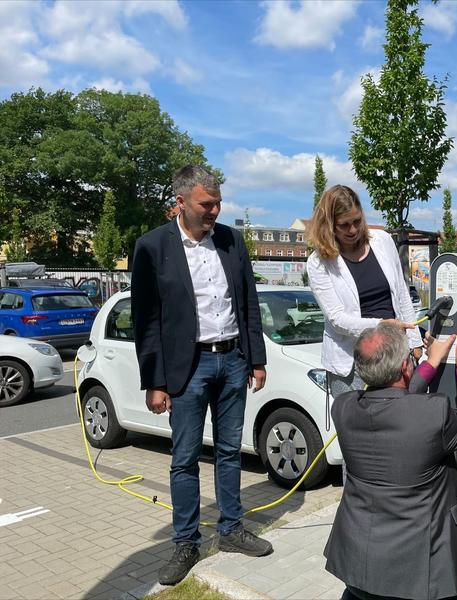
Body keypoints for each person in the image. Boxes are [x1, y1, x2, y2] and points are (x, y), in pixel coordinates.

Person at [131, 165, 273, 586]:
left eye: (218, 203)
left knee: (230, 450)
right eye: (206, 204)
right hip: (186, 367)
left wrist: (257, 358)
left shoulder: (232, 240)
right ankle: (186, 541)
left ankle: (230, 529)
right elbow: (147, 320)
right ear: (180, 202)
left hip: (232, 361)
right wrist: (154, 381)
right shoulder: (153, 247)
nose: (214, 211)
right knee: (185, 458)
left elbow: (247, 302)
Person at [324, 324, 457, 600]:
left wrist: (431, 362)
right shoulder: (432, 414)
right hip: (422, 578)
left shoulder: (343, 408)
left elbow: (392, 398)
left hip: (359, 567)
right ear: (406, 367)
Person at [306, 184, 422, 405]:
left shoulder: (382, 241)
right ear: (329, 225)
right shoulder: (319, 262)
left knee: (400, 425)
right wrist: (382, 324)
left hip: (395, 355)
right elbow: (337, 319)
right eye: (344, 225)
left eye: (357, 221)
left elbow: (401, 294)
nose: (352, 230)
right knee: (360, 430)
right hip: (352, 364)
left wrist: (415, 344)